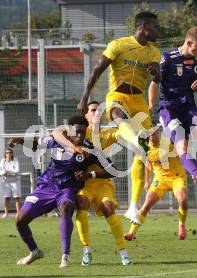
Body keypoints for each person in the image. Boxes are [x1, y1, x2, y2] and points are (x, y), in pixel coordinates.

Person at [77, 11, 161, 222]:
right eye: (154, 27)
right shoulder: (119, 45)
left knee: (142, 155)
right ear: (143, 27)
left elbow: (159, 78)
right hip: (118, 96)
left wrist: (156, 73)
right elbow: (97, 71)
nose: (157, 31)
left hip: (139, 101)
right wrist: (84, 97)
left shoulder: (154, 52)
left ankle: (133, 206)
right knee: (117, 115)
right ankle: (134, 139)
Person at [10, 115, 118, 267]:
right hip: (46, 187)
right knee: (20, 220)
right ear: (70, 131)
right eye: (77, 132)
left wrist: (89, 175)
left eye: (83, 132)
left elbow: (113, 170)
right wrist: (21, 140)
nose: (80, 136)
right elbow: (37, 145)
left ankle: (65, 256)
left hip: (67, 189)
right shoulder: (56, 141)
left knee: (66, 207)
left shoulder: (90, 149)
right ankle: (34, 251)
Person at [147, 26, 197, 195]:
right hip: (168, 108)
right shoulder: (167, 58)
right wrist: (151, 105)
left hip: (188, 105)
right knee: (182, 145)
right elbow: (155, 83)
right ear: (188, 42)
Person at [74, 101, 131, 266]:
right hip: (85, 183)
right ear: (86, 116)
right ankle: (86, 250)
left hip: (102, 181)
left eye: (99, 110)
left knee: (108, 208)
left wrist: (122, 114)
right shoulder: (82, 133)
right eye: (92, 110)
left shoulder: (109, 134)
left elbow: (125, 131)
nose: (96, 112)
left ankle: (124, 253)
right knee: (82, 203)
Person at [124, 127, 192, 240]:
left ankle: (181, 226)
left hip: (176, 177)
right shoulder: (146, 149)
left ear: (158, 133)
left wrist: (193, 171)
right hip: (160, 179)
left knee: (183, 201)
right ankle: (131, 233)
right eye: (149, 133)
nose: (151, 134)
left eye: (154, 132)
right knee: (146, 205)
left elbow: (184, 153)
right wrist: (146, 181)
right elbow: (149, 167)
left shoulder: (169, 142)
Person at [0, 148, 21, 218]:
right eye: (7, 153)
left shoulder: (15, 160)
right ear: (5, 154)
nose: (9, 154)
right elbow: (0, 171)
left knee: (17, 197)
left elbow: (16, 170)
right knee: (6, 197)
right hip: (6, 181)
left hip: (15, 181)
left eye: (10, 153)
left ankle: (18, 213)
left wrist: (7, 172)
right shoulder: (2, 161)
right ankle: (6, 213)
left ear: (12, 154)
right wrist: (4, 173)